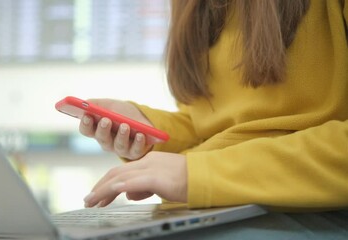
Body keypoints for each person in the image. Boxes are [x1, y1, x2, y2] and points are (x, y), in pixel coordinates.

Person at [79, 0, 348, 211]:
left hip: (306, 209)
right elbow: (211, 125)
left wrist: (198, 175)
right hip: (209, 207)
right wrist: (151, 130)